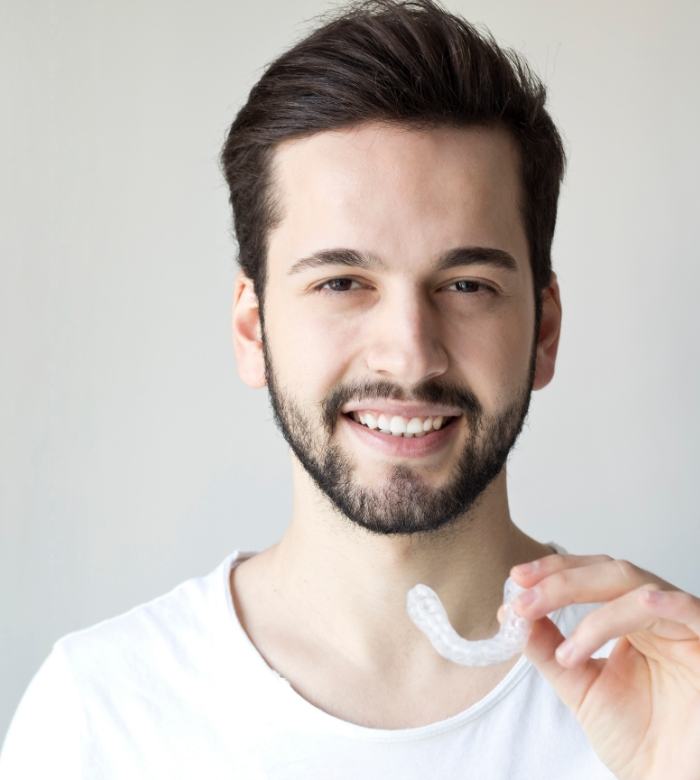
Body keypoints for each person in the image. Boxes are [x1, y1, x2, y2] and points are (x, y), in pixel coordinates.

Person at [2, 1, 698, 778]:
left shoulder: (674, 698)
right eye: (342, 282)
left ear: (544, 329)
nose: (409, 356)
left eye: (467, 284)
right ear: (251, 330)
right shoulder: (98, 715)